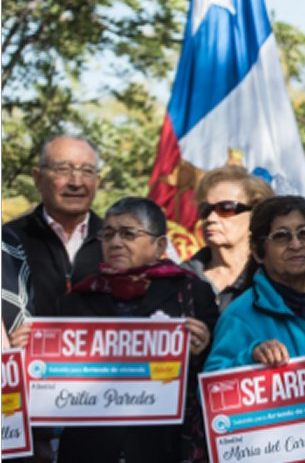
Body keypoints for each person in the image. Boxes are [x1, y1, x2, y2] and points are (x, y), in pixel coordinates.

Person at [47, 197, 219, 463]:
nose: (115, 242)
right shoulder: (77, 299)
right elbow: (54, 377)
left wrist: (201, 352)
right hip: (90, 447)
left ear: (159, 244)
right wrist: (33, 347)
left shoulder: (192, 292)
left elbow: (218, 371)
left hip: (164, 445)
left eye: (128, 234)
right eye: (108, 234)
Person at [205, 196, 305, 371]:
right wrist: (250, 358)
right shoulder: (240, 316)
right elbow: (213, 387)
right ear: (257, 251)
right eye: (281, 236)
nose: (296, 244)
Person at [2, 135, 104, 318]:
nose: (76, 182)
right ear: (38, 179)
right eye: (63, 169)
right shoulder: (8, 240)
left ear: (97, 182)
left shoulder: (117, 243)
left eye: (87, 171)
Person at [181, 166, 274, 312]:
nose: (211, 218)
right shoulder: (180, 279)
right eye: (205, 209)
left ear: (256, 216)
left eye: (226, 208)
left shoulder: (273, 279)